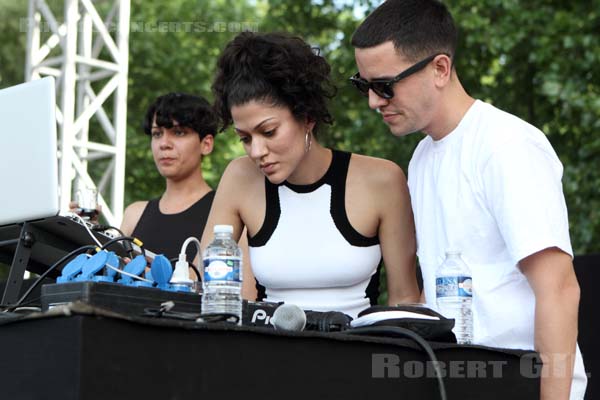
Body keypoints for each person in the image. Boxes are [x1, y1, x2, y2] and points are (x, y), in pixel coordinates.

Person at [350, 0, 586, 398]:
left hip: (520, 380)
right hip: (456, 380)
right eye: (364, 85)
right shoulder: (423, 157)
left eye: (384, 85)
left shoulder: (506, 146)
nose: (374, 101)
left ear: (440, 68)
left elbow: (559, 289)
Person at [203, 31, 420, 317]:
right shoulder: (239, 178)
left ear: (307, 117)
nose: (256, 151)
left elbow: (405, 300)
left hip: (355, 353)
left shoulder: (382, 180)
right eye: (244, 138)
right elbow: (203, 285)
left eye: (268, 132)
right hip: (265, 353)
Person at [120, 92, 217, 261]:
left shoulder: (224, 211)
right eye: (157, 134)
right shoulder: (134, 214)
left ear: (206, 144)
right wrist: (87, 230)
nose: (164, 144)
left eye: (178, 132)